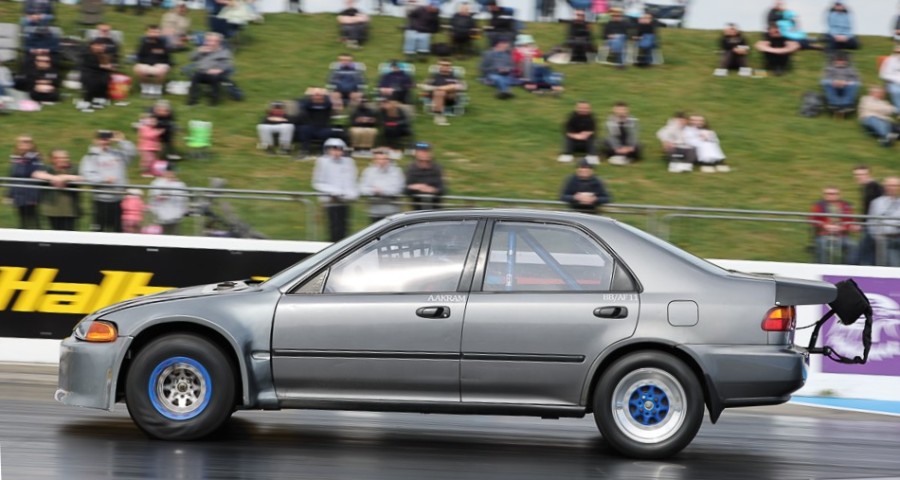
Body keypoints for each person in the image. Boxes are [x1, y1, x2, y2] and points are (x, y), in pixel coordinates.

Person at [78, 130, 135, 232]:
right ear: (96, 141)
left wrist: (122, 141)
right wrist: (103, 180)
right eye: (102, 139)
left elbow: (132, 153)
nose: (105, 142)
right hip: (101, 200)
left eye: (107, 139)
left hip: (118, 200)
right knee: (99, 231)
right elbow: (87, 175)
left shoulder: (118, 154)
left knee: (118, 231)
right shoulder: (90, 157)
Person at [312, 138, 359, 242]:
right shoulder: (322, 162)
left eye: (339, 149)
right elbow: (318, 182)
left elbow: (351, 180)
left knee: (345, 228)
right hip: (331, 201)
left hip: (345, 201)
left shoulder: (349, 162)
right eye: (334, 149)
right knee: (334, 228)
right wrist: (333, 191)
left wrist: (351, 194)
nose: (336, 152)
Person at [8, 135, 53, 229]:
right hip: (19, 195)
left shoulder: (35, 159)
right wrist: (10, 194)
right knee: (23, 222)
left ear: (32, 145)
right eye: (22, 142)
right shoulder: (16, 160)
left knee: (33, 222)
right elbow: (13, 176)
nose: (24, 144)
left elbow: (36, 173)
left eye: (27, 142)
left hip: (30, 195)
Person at [809, 187, 857, 264]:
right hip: (824, 234)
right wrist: (824, 226)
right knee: (822, 244)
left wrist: (842, 228)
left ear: (839, 195)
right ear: (824, 195)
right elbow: (812, 219)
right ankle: (822, 266)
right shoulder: (818, 205)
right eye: (828, 194)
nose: (831, 196)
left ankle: (848, 267)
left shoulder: (845, 205)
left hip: (841, 235)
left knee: (852, 245)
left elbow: (850, 221)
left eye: (834, 194)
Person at [358, 148, 405, 222]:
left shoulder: (396, 171)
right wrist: (372, 191)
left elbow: (398, 189)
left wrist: (382, 191)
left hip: (392, 212)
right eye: (378, 159)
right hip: (374, 212)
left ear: (389, 159)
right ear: (374, 160)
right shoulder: (368, 171)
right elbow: (362, 188)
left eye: (384, 159)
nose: (381, 161)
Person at [187, 32, 233, 106]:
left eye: (212, 41)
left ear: (218, 42)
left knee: (214, 77)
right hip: (202, 72)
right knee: (195, 76)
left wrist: (219, 69)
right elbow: (191, 58)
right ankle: (192, 100)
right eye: (208, 40)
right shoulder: (203, 50)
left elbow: (227, 64)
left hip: (217, 73)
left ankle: (213, 101)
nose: (210, 43)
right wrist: (198, 51)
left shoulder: (224, 52)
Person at [42, 149, 83, 231]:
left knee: (69, 234)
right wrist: (54, 178)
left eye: (66, 157)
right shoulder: (48, 168)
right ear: (54, 159)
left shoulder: (74, 168)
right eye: (62, 158)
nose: (65, 160)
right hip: (52, 210)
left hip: (70, 211)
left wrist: (64, 177)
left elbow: (82, 177)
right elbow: (36, 174)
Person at [853, 165, 884, 265]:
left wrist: (861, 223)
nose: (859, 177)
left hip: (873, 227)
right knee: (870, 256)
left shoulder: (873, 187)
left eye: (862, 174)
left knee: (857, 257)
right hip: (872, 226)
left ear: (869, 174)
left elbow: (871, 209)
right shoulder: (867, 187)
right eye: (856, 175)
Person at [296, 87, 337, 159]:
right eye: (315, 95)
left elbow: (329, 103)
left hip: (323, 127)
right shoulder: (308, 104)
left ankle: (323, 151)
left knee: (328, 132)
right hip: (311, 127)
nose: (317, 97)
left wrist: (326, 94)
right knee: (304, 129)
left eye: (319, 95)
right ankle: (304, 150)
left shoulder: (326, 104)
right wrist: (308, 96)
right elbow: (303, 106)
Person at [867, 176, 900, 267]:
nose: (893, 188)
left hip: (898, 238)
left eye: (895, 185)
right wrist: (877, 237)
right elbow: (871, 222)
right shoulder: (877, 203)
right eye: (890, 185)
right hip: (884, 239)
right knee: (893, 264)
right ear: (885, 187)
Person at [149, 163, 189, 235]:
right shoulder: (158, 183)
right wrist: (165, 195)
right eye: (170, 171)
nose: (172, 173)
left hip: (176, 216)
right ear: (166, 172)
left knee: (174, 236)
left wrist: (183, 212)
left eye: (173, 172)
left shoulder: (180, 184)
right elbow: (156, 197)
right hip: (161, 216)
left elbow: (184, 200)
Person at [133, 24, 172, 98]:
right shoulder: (143, 44)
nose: (153, 34)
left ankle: (157, 89)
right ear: (147, 33)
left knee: (162, 69)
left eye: (156, 32)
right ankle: (145, 88)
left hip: (160, 65)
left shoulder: (163, 44)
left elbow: (167, 58)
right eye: (151, 32)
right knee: (137, 68)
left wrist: (160, 64)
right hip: (146, 64)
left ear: (159, 33)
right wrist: (148, 63)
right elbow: (139, 57)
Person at [404, 142, 444, 210]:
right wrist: (415, 187)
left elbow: (443, 189)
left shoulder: (436, 168)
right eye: (421, 152)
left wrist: (433, 190)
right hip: (417, 208)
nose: (423, 154)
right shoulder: (411, 168)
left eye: (426, 151)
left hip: (434, 208)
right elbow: (405, 189)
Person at [78, 38, 115, 112]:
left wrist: (109, 66)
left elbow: (107, 65)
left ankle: (99, 99)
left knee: (105, 79)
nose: (101, 47)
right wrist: (103, 66)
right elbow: (90, 65)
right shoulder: (86, 54)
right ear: (92, 46)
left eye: (102, 46)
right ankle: (86, 101)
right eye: (99, 45)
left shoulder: (104, 54)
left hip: (101, 73)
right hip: (88, 72)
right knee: (92, 81)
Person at [558, 101, 599, 165]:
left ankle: (592, 156)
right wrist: (576, 136)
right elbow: (566, 130)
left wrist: (586, 134)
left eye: (585, 108)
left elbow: (593, 130)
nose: (583, 110)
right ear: (576, 108)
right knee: (567, 137)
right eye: (581, 108)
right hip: (574, 143)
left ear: (589, 109)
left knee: (592, 138)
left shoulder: (592, 118)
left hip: (586, 143)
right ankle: (567, 154)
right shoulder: (571, 117)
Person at [602, 101, 641, 165]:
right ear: (614, 110)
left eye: (623, 109)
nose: (621, 112)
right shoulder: (610, 120)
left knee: (638, 146)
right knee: (605, 144)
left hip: (627, 143)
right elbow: (611, 136)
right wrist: (617, 148)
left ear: (627, 110)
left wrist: (629, 147)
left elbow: (634, 135)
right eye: (619, 110)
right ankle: (624, 156)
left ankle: (622, 156)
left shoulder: (633, 120)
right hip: (616, 144)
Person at [137, 113, 165, 177]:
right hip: (146, 148)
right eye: (152, 121)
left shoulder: (152, 128)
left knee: (153, 160)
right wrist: (158, 132)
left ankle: (152, 171)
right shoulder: (144, 128)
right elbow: (148, 135)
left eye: (155, 121)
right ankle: (145, 172)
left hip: (153, 147)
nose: (155, 122)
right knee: (147, 160)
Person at [879, 45, 900, 110]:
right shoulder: (889, 61)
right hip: (892, 82)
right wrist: (897, 80)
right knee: (896, 91)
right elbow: (883, 75)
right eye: (898, 52)